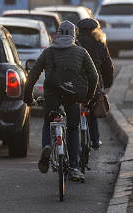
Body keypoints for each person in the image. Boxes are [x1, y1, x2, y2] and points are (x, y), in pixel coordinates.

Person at [23, 21, 98, 182]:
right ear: (73, 35)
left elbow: (32, 76)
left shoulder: (48, 52)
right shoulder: (81, 52)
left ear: (57, 34)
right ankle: (74, 167)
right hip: (73, 95)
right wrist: (88, 97)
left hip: (52, 95)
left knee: (47, 122)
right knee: (73, 128)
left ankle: (47, 146)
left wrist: (28, 98)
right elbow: (93, 76)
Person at [76, 18, 115, 149]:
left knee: (75, 109)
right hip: (94, 83)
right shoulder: (99, 44)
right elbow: (107, 65)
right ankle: (95, 140)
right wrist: (107, 83)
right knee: (92, 109)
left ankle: (74, 138)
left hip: (78, 83)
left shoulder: (75, 43)